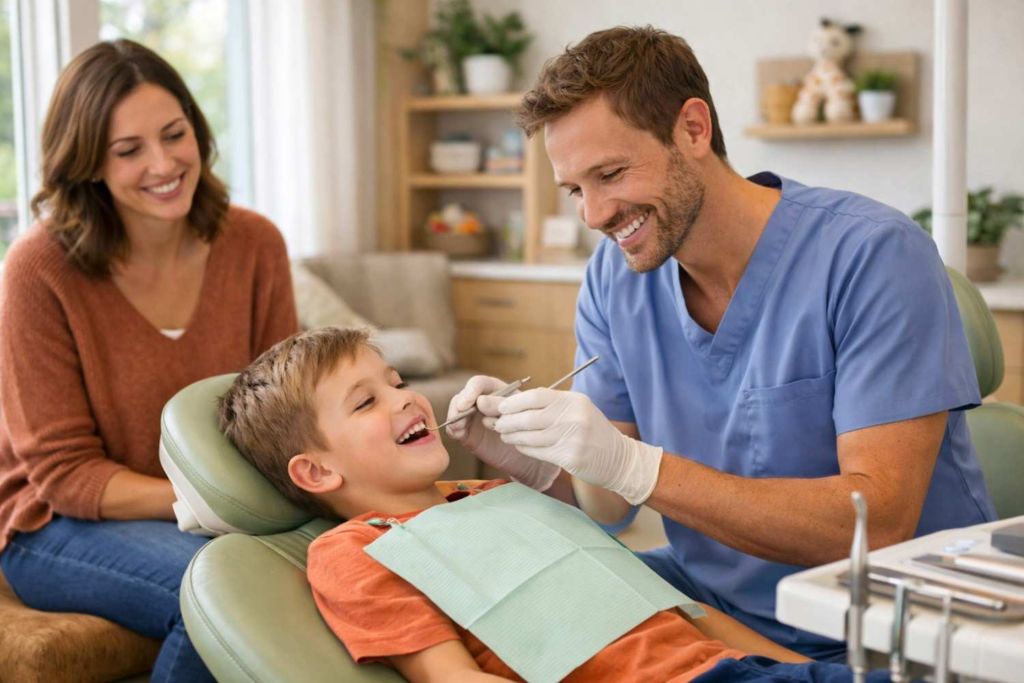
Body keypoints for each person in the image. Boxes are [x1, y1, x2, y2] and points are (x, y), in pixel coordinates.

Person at [445, 26, 996, 661]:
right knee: (505, 624)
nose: (594, 215)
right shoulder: (614, 280)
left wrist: (636, 466)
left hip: (884, 625)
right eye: (575, 190)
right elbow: (611, 506)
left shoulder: (871, 256)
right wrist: (537, 463)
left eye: (611, 173)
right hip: (714, 607)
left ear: (693, 129)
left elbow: (876, 522)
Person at [220, 325, 901, 683]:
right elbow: (450, 678)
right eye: (367, 401)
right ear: (314, 470)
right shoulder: (357, 550)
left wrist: (817, 673)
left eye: (397, 381)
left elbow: (686, 617)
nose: (404, 398)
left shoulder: (496, 493)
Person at [0, 39, 298, 681]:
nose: (164, 164)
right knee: (222, 596)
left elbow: (288, 412)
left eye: (174, 134)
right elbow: (64, 475)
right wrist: (214, 509)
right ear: (87, 165)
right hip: (53, 524)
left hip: (217, 513)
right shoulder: (38, 269)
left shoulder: (254, 245)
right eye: (128, 150)